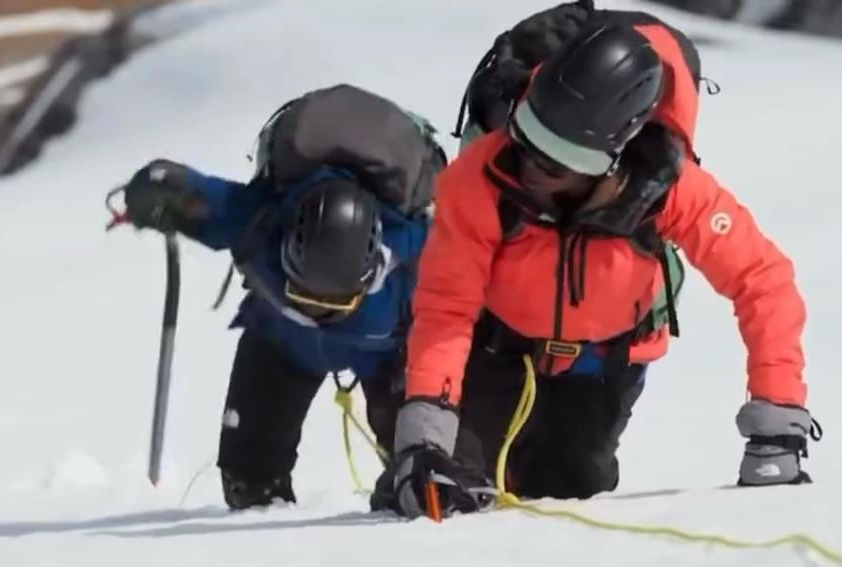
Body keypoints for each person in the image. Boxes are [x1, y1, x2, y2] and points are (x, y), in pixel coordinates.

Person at [381, 13, 820, 520]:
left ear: (616, 153)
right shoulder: (479, 176)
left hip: (603, 365)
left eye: (560, 161)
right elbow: (446, 307)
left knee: (567, 493)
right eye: (526, 140)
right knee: (430, 497)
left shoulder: (671, 188)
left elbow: (762, 281)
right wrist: (425, 433)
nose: (532, 169)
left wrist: (777, 417)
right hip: (492, 351)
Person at [120, 84, 445, 510]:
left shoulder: (420, 252)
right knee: (249, 480)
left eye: (334, 305)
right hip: (281, 346)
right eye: (303, 295)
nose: (315, 310)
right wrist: (159, 192)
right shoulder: (265, 220)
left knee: (421, 486)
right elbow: (203, 199)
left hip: (389, 356)